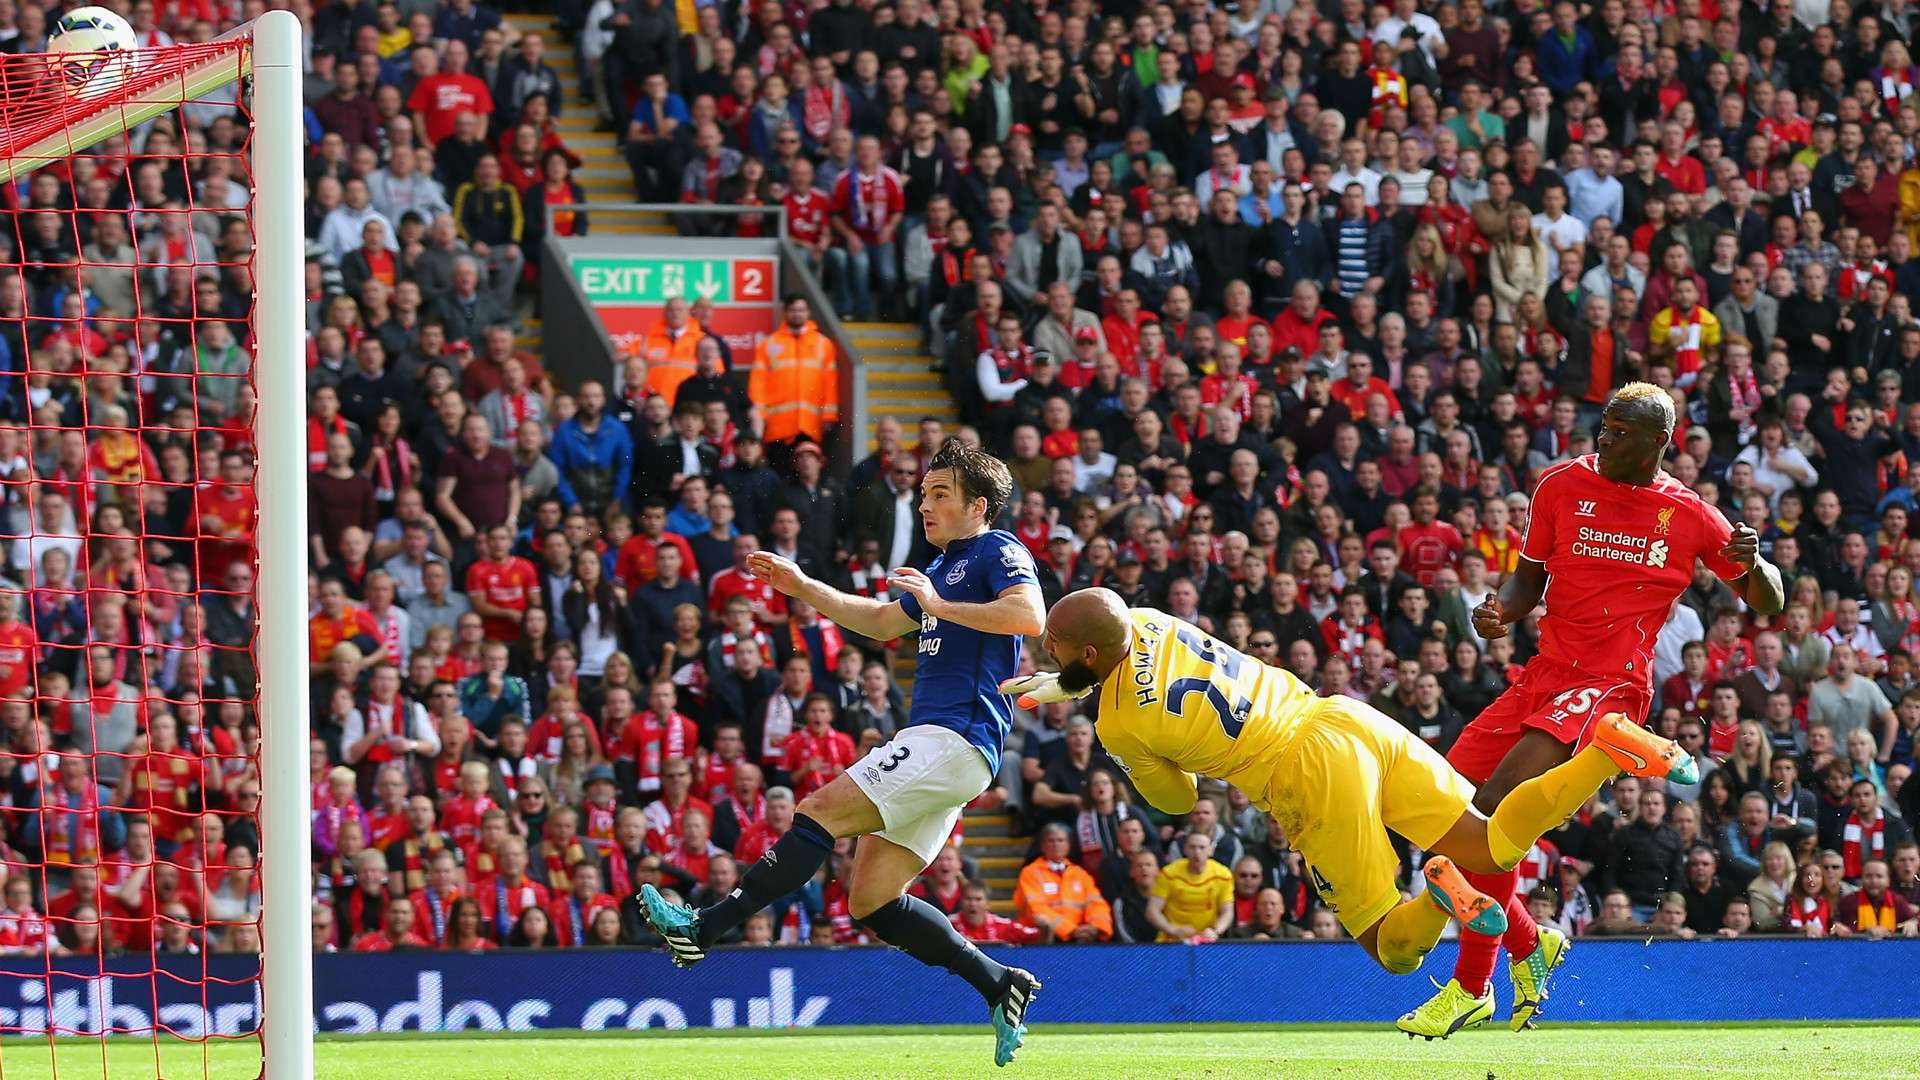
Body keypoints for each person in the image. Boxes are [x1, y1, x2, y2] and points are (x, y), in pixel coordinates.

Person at [1008, 589, 1694, 1007]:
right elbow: (1116, 652)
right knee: (1491, 840)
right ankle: (1605, 751)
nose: (1045, 651)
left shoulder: (1119, 723)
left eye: (1053, 647)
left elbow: (1178, 800)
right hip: (1345, 719)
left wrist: (1122, 735)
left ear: (1087, 660)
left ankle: (1441, 892)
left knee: (1394, 948)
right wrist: (1064, 681)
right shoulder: (1152, 619)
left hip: (1302, 775)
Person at [1396, 381, 1785, 1038]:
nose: (1603, 438)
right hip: (1543, 674)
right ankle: (1529, 943)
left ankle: (1469, 986)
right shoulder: (1558, 486)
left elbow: (1768, 602)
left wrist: (1761, 564)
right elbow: (1529, 578)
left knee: (1493, 805)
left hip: (1608, 686)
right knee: (1446, 811)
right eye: (1603, 426)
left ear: (1660, 441)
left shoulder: (1689, 514)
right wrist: (1503, 610)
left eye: (1620, 431)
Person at [638, 440, 1046, 1066]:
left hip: (955, 736)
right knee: (871, 902)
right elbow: (883, 622)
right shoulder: (941, 569)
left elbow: (1030, 616)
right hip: (949, 748)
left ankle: (704, 929)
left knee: (819, 809)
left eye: (940, 494)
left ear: (978, 506)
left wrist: (938, 606)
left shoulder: (997, 550)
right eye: (923, 493)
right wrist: (803, 586)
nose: (925, 504)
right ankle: (998, 982)